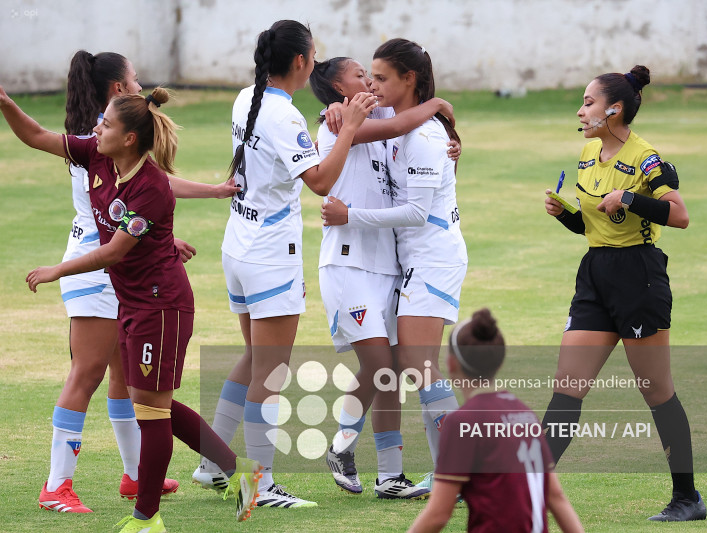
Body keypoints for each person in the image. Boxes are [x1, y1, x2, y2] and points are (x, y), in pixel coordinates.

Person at [1, 85, 261, 532]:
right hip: (134, 303)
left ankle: (146, 518)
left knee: (152, 410)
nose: (96, 128)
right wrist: (5, 103)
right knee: (152, 402)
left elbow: (113, 252)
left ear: (129, 140)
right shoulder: (98, 155)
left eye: (106, 124)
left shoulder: (152, 186)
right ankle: (239, 472)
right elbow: (38, 137)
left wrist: (56, 270)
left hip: (161, 307)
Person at [38, 50, 237, 514]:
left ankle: (137, 477)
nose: (139, 82)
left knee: (133, 386)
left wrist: (167, 234)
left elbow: (146, 194)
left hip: (118, 270)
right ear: (117, 90)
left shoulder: (116, 142)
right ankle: (57, 486)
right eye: (133, 78)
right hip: (98, 269)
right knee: (89, 376)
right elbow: (121, 215)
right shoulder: (105, 140)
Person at [191, 20, 375, 509]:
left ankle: (212, 464)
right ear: (300, 61)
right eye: (314, 54)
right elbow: (319, 181)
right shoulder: (283, 116)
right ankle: (259, 483)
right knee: (270, 373)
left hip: (239, 246)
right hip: (270, 256)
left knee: (255, 359)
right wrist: (350, 129)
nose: (316, 60)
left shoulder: (246, 97)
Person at [541, 65, 705, 522]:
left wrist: (630, 199)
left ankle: (688, 499)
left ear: (614, 109)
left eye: (588, 102)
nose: (580, 109)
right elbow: (596, 228)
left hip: (639, 277)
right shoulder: (588, 154)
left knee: (657, 391)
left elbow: (679, 215)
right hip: (595, 275)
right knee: (567, 387)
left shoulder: (646, 157)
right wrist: (566, 215)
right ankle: (529, 487)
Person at [322, 38, 467, 491]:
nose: (372, 84)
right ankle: (399, 473)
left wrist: (350, 215)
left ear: (409, 79)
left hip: (430, 259)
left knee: (416, 366)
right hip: (403, 263)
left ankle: (455, 474)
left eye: (380, 77)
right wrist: (336, 111)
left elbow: (420, 213)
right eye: (366, 76)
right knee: (401, 366)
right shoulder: (396, 123)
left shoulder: (423, 134)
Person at [407, 308, 585, 533]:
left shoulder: (463, 422)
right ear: (499, 363)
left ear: (451, 365)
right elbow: (556, 497)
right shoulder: (525, 414)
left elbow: (439, 513)